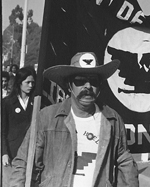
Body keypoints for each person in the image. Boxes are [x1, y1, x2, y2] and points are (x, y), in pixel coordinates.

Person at [10, 52, 139, 187]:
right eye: (80, 80)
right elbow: (24, 161)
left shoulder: (113, 120)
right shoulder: (47, 117)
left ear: (100, 85)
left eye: (93, 81)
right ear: (69, 85)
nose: (88, 86)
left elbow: (125, 163)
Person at [2, 67, 36, 186]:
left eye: (33, 82)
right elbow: (2, 130)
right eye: (27, 82)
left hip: (30, 153)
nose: (30, 85)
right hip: (11, 153)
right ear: (19, 82)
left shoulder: (37, 102)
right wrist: (4, 153)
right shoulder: (7, 102)